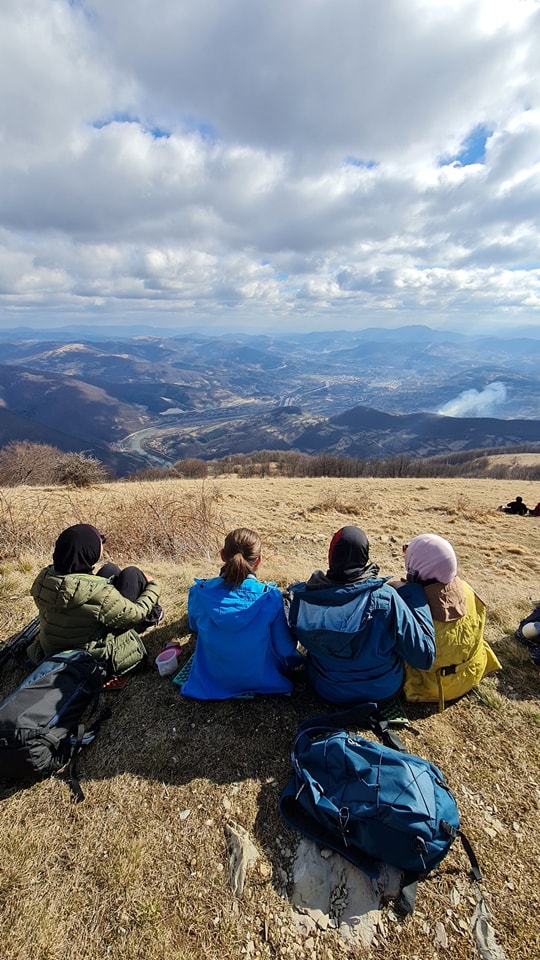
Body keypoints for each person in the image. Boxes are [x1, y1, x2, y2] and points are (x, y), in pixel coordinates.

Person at [285, 526, 435, 708]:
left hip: (327, 688)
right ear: (364, 557)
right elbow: (424, 657)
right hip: (381, 691)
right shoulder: (386, 598)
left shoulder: (302, 599)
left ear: (331, 556)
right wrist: (414, 593)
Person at [181, 527, 303, 700]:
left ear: (222, 555)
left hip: (210, 681)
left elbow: (194, 626)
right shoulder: (271, 597)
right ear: (258, 560)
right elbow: (285, 649)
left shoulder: (198, 592)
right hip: (261, 678)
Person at [27, 523, 162, 676]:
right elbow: (136, 614)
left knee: (109, 569)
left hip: (52, 648)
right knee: (132, 573)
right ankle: (153, 616)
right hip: (89, 656)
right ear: (88, 552)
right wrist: (153, 585)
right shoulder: (99, 594)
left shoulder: (44, 578)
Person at [388, 534, 501, 710]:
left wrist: (397, 589)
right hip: (470, 673)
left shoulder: (409, 605)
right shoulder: (467, 589)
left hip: (429, 686)